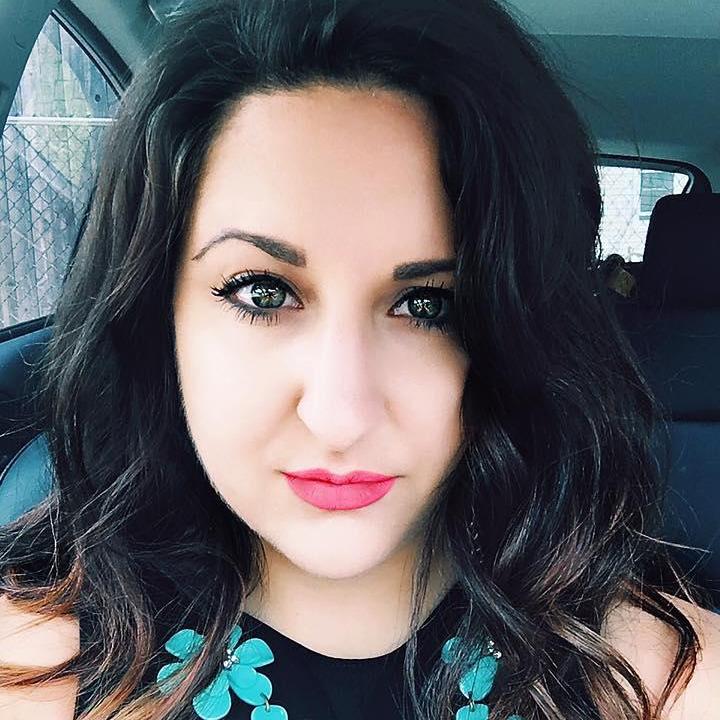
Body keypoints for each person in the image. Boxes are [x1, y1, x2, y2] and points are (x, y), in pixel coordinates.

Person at [0, 0, 718, 718]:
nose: (339, 416)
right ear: (160, 319)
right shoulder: (36, 664)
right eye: (263, 292)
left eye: (428, 305)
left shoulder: (664, 681)